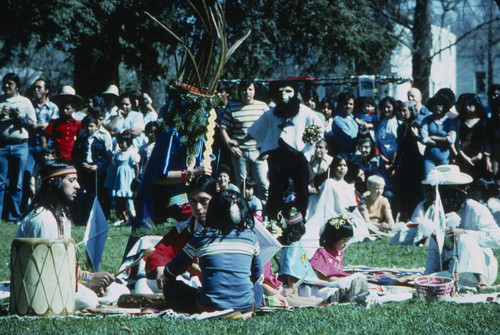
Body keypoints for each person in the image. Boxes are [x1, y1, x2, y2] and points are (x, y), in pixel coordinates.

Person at [15, 160, 128, 309]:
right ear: (53, 182)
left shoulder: (61, 216)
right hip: (38, 288)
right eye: (71, 180)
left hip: (64, 281)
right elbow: (47, 273)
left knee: (120, 291)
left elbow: (67, 267)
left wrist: (88, 278)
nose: (78, 186)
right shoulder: (43, 219)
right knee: (89, 299)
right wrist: (88, 281)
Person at [162, 190, 263, 314]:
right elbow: (257, 274)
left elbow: (172, 270)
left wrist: (167, 278)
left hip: (208, 307)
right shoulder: (251, 237)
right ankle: (243, 310)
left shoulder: (201, 237)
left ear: (212, 211)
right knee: (258, 288)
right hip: (245, 306)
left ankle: (215, 307)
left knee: (170, 288)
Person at [248, 80, 323, 219]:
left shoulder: (305, 112)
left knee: (301, 190)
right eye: (281, 91)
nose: (284, 94)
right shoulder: (270, 114)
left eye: (288, 91)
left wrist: (308, 145)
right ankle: (274, 221)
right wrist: (261, 147)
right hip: (278, 156)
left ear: (295, 93)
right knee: (275, 190)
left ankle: (300, 221)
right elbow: (256, 131)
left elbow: (319, 129)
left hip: (298, 156)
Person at [423, 165, 500, 290]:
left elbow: (498, 239)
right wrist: (426, 277)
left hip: (484, 269)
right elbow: (434, 252)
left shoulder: (475, 209)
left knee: (464, 239)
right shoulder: (437, 215)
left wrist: (465, 232)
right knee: (430, 279)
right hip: (456, 273)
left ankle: (484, 283)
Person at [145, 175, 217, 291]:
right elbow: (161, 250)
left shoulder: (229, 228)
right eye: (193, 202)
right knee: (148, 282)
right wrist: (160, 267)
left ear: (216, 199)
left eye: (204, 201)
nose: (198, 208)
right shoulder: (185, 229)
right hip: (196, 283)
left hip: (225, 286)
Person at [220, 78, 269, 202]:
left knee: (264, 184)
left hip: (259, 152)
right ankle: (244, 213)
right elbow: (223, 128)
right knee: (243, 186)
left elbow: (271, 128)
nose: (247, 92)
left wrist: (267, 149)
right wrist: (231, 147)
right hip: (240, 154)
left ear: (254, 90)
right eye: (244, 90)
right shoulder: (232, 107)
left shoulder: (263, 107)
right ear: (240, 91)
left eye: (250, 89)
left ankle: (265, 214)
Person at [0, 73, 36, 222]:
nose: (6, 86)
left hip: (20, 146)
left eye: (10, 83)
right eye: (4, 83)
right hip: (2, 146)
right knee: (0, 183)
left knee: (17, 183)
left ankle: (14, 215)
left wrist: (19, 118)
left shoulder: (25, 102)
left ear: (17, 86)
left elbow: (34, 124)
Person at [309, 216, 368, 302]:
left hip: (337, 281)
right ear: (333, 238)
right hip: (325, 285)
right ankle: (352, 294)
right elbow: (324, 279)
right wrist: (345, 280)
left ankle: (358, 292)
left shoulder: (339, 253)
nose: (346, 244)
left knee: (359, 278)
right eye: (344, 240)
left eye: (348, 240)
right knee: (356, 278)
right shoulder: (322, 253)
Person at [72, 114, 111, 225]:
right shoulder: (80, 140)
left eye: (91, 126)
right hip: (83, 171)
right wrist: (82, 164)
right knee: (79, 194)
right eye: (86, 126)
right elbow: (74, 155)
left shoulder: (100, 141)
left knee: (94, 195)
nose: (89, 129)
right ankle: (79, 219)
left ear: (96, 127)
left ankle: (92, 220)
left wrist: (97, 166)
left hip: (95, 172)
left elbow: (106, 158)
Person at [393, 100, 424, 221]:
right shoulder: (401, 128)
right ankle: (407, 216)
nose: (402, 113)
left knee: (416, 190)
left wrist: (416, 135)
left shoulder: (417, 124)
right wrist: (395, 165)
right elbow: (400, 148)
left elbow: (422, 142)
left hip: (416, 161)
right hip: (405, 162)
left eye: (405, 110)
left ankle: (417, 216)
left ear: (411, 111)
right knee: (405, 190)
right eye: (400, 111)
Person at [43, 86, 83, 161]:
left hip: (71, 157)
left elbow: (81, 138)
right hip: (57, 157)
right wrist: (45, 148)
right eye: (63, 108)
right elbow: (44, 135)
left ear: (73, 110)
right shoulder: (55, 122)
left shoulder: (78, 124)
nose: (65, 111)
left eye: (67, 109)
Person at [420, 94, 456, 178]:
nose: (437, 107)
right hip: (429, 156)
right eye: (435, 104)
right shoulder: (426, 120)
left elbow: (451, 139)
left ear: (444, 106)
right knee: (428, 180)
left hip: (445, 156)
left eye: (440, 104)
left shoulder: (449, 121)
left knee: (444, 181)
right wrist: (444, 141)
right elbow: (424, 139)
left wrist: (433, 137)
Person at [108, 133, 140, 226]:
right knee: (119, 200)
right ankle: (121, 217)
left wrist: (136, 178)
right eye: (119, 142)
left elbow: (136, 167)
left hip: (128, 179)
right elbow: (115, 165)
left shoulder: (132, 153)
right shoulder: (117, 154)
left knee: (129, 200)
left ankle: (131, 218)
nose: (120, 144)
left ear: (129, 143)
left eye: (123, 142)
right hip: (119, 180)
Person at [455, 93, 488, 179]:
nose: (467, 107)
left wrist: (479, 155)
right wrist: (463, 156)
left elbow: (485, 141)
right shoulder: (460, 121)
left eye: (470, 104)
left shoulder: (483, 121)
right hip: (463, 158)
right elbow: (457, 142)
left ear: (476, 105)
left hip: (479, 158)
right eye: (465, 105)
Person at [331, 92, 359, 156]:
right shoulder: (337, 120)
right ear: (340, 104)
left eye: (351, 104)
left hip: (356, 153)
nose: (348, 106)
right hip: (346, 155)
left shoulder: (352, 117)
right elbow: (352, 138)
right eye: (346, 103)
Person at [375, 96, 399, 165]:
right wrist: (383, 157)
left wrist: (394, 159)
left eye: (388, 107)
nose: (386, 109)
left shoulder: (398, 123)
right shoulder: (380, 123)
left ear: (393, 108)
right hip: (383, 160)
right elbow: (377, 142)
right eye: (384, 107)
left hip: (397, 159)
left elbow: (401, 143)